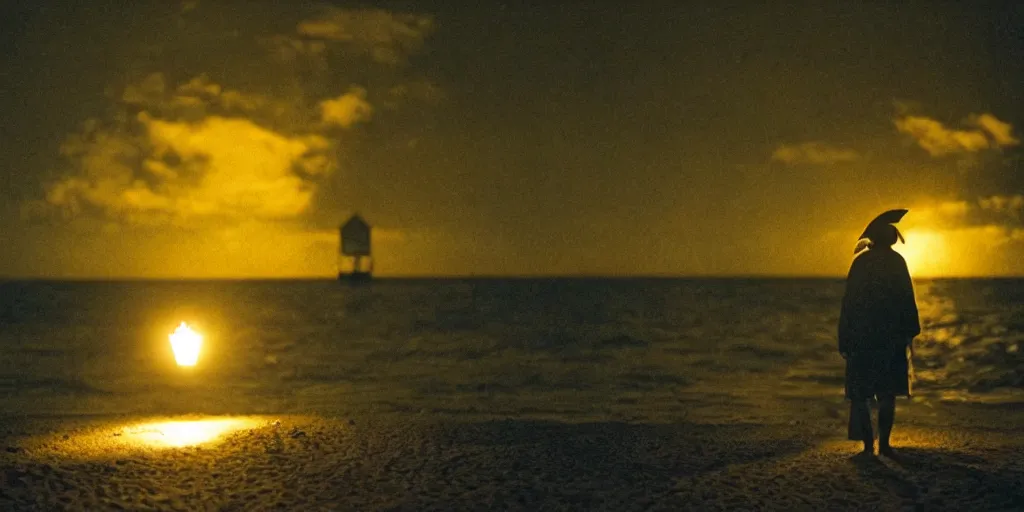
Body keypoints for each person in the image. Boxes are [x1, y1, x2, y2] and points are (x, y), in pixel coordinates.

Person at [838, 210, 920, 458]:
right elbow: (907, 299)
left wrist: (844, 336)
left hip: (862, 337)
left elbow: (848, 303)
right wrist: (910, 331)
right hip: (891, 338)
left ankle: (867, 446)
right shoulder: (897, 262)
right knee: (887, 393)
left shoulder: (861, 263)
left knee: (861, 394)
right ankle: (884, 444)